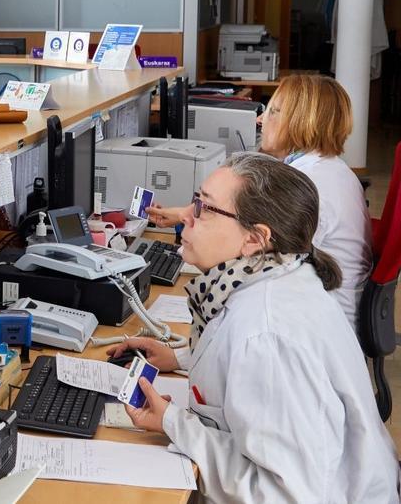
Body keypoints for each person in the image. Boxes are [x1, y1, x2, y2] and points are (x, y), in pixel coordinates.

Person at [110, 153, 398, 503]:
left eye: (203, 207)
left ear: (255, 239)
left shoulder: (266, 335)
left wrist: (173, 423)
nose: (186, 215)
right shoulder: (277, 280)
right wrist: (182, 358)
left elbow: (283, 494)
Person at [146, 75, 371, 327]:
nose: (260, 120)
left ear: (301, 122)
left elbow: (258, 265)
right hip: (314, 313)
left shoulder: (313, 186)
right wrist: (185, 215)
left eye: (273, 112)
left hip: (316, 325)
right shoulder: (327, 170)